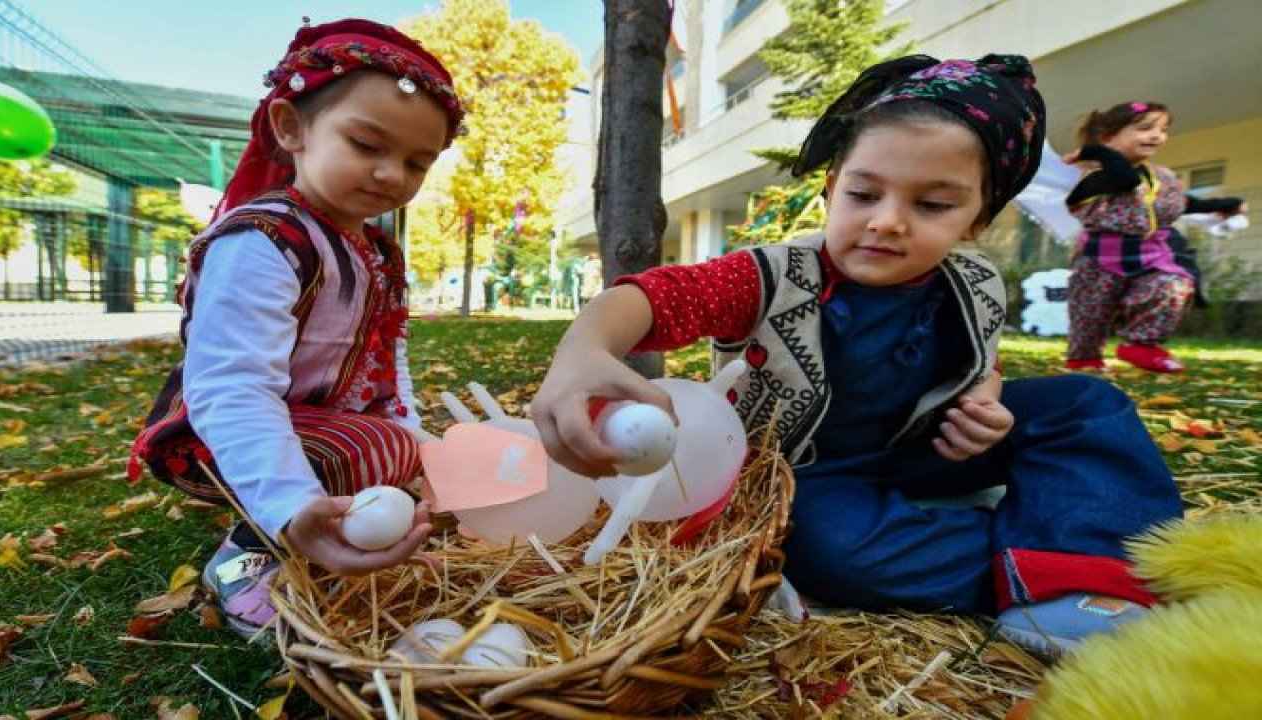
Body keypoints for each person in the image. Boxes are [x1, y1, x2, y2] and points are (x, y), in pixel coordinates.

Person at [531, 55, 1184, 658]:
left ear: (978, 219)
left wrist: (984, 404)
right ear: (831, 189)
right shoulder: (772, 276)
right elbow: (654, 297)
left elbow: (980, 361)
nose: (887, 221)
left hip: (927, 450)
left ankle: (1069, 563)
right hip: (812, 480)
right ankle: (1070, 564)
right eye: (864, 194)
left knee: (1087, 403)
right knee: (829, 550)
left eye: (932, 204)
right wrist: (584, 349)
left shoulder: (975, 280)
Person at [127, 18, 466, 639]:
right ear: (291, 128)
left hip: (317, 425)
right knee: (371, 449)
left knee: (400, 446)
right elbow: (231, 387)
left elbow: (390, 358)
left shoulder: (378, 253)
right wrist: (289, 504)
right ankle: (247, 559)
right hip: (218, 433)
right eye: (367, 145)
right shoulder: (261, 241)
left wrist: (416, 443)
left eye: (417, 163)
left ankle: (332, 535)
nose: (393, 175)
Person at [1063, 101, 1248, 372]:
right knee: (1090, 313)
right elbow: (1124, 179)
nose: (1157, 136)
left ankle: (1141, 345)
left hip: (1150, 253)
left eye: (1163, 130)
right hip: (1099, 257)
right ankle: (1084, 358)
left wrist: (1228, 203)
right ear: (1107, 136)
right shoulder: (1093, 176)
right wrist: (1096, 151)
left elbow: (1182, 203)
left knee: (1174, 283)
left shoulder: (1162, 176)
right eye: (1145, 128)